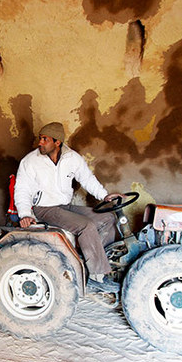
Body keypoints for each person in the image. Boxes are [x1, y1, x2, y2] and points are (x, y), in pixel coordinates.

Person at [13, 122, 122, 294]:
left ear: (57, 142)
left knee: (107, 218)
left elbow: (87, 179)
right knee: (86, 226)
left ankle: (91, 262)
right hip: (45, 209)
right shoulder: (30, 162)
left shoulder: (72, 158)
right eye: (40, 139)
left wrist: (104, 196)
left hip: (65, 206)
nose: (40, 143)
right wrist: (25, 214)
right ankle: (97, 275)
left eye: (45, 139)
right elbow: (22, 190)